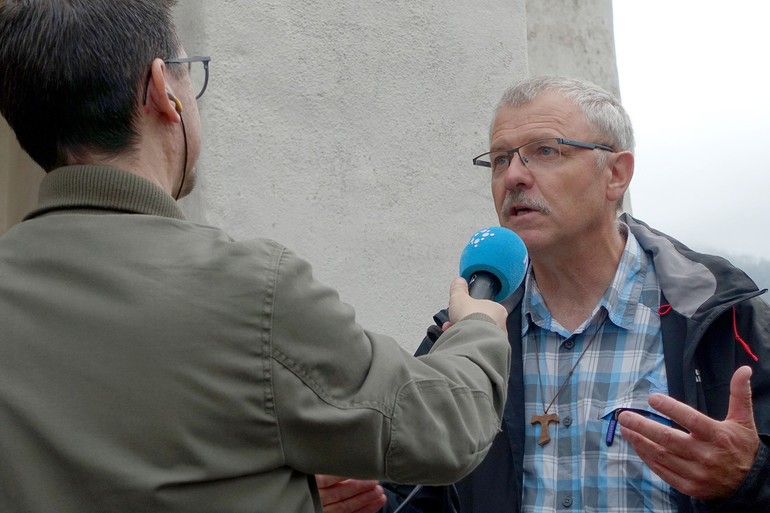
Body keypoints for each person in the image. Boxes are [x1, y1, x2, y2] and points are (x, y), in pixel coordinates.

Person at [0, 1, 513, 512]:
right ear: (162, 89)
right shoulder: (250, 291)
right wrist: (479, 329)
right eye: (189, 72)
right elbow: (448, 425)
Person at [316, 76, 770, 513]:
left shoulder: (720, 315)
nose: (513, 176)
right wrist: (360, 503)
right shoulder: (463, 332)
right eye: (498, 159)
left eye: (545, 151)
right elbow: (417, 494)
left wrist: (747, 479)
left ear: (616, 174)